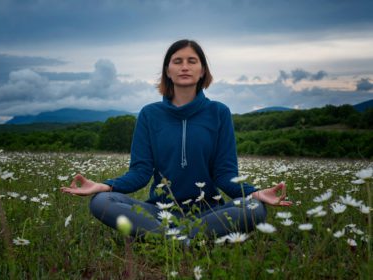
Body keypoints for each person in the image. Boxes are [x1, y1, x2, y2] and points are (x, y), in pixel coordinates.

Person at [61, 39, 292, 240]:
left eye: (192, 61)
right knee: (101, 202)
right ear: (167, 71)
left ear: (202, 71)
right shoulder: (149, 115)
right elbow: (140, 173)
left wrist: (255, 193)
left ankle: (170, 238)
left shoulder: (219, 112)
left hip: (210, 212)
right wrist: (104, 185)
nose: (184, 67)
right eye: (177, 61)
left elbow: (225, 175)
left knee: (255, 208)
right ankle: (187, 238)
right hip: (160, 211)